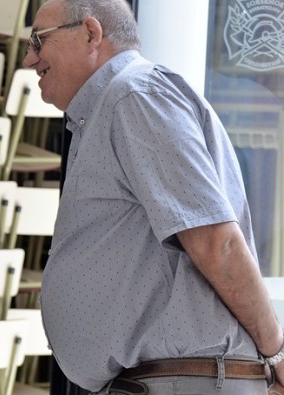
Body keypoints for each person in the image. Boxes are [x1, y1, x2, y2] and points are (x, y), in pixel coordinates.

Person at [25, 0, 284, 394]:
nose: (30, 59)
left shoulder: (135, 96)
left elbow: (218, 243)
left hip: (184, 380)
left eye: (37, 40)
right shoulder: (119, 104)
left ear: (91, 34)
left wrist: (277, 356)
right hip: (167, 379)